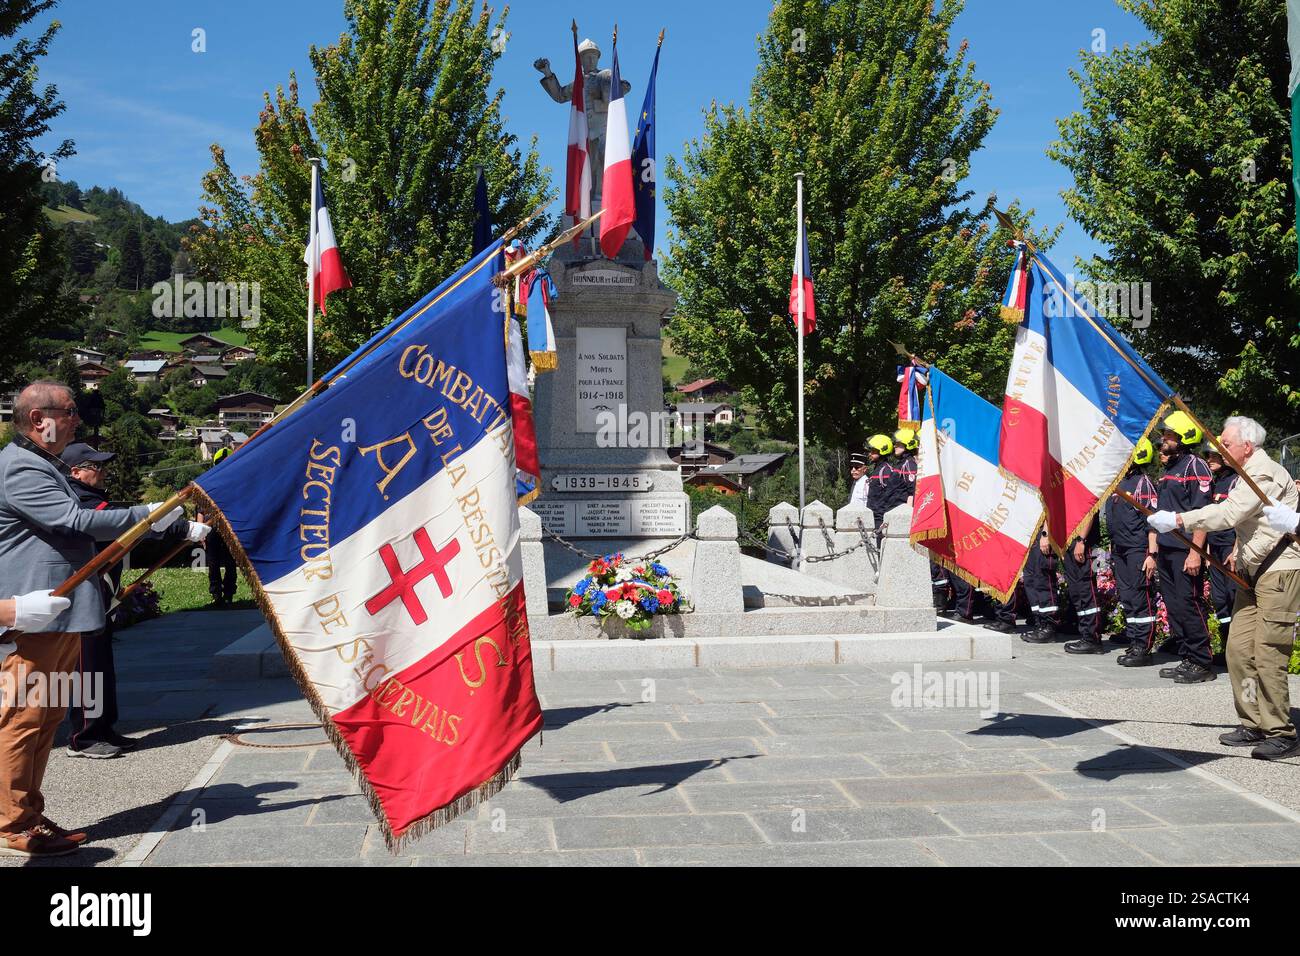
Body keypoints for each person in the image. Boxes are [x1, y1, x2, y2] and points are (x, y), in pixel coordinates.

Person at [0, 381, 209, 856]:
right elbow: (73, 522)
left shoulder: (40, 464)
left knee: (46, 715)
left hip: (57, 611)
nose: (76, 419)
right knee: (22, 718)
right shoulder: (21, 468)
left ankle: (28, 812)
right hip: (32, 612)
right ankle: (12, 822)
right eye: (70, 411)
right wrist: (147, 516)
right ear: (39, 419)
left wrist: (152, 521)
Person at [1150, 416, 1300, 759]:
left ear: (1247, 446)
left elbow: (1230, 514)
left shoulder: (1263, 473)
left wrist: (1178, 520)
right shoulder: (1244, 475)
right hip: (1253, 572)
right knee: (1238, 650)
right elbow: (1248, 524)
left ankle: (1281, 730)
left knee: (1268, 653)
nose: (1220, 447)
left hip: (1279, 572)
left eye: (1226, 443)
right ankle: (1253, 722)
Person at [62, 442, 185, 758]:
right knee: (86, 666)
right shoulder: (79, 501)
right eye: (95, 466)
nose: (102, 472)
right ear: (75, 471)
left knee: (100, 666)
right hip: (82, 598)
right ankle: (84, 736)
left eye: (103, 466)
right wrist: (177, 526)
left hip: (98, 594)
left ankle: (103, 727)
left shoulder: (91, 498)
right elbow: (124, 527)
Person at [1150, 411, 1216, 683]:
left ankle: (1202, 662)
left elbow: (1203, 513)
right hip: (1166, 549)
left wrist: (1195, 552)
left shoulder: (1195, 466)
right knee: (1176, 606)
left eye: (1168, 436)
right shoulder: (1170, 470)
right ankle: (1188, 656)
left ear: (1184, 439)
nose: (1163, 441)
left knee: (1189, 604)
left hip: (1184, 550)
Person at [1105, 438, 1160, 666]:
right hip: (1121, 549)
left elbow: (1153, 521)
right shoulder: (1119, 482)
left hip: (1138, 550)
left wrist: (1151, 555)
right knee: (1127, 596)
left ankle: (1143, 647)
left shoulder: (1143, 483)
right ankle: (1133, 637)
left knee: (1140, 597)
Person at [1203, 445, 1239, 661]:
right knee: (1219, 599)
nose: (1209, 459)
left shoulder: (1237, 481)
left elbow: (1241, 519)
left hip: (1230, 547)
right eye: (1208, 455)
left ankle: (1238, 652)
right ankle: (1226, 648)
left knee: (1233, 597)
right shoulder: (1217, 481)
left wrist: (1236, 550)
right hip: (1215, 547)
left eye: (1213, 455)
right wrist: (1207, 547)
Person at [196, 448, 238, 605]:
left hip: (229, 528)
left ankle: (228, 594)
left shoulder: (235, 484)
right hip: (211, 528)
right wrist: (201, 531)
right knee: (213, 563)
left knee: (230, 563)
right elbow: (200, 509)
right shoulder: (208, 482)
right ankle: (216, 595)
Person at [1061, 515, 1104, 654]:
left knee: (1086, 591)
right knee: (1077, 593)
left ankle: (1093, 638)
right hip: (1070, 542)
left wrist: (1081, 540)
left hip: (1084, 544)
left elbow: (1089, 511)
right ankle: (1086, 635)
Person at [1020, 528, 1060, 643]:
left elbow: (1050, 511)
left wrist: (1045, 534)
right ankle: (1040, 623)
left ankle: (1049, 626)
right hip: (1031, 534)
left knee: (1043, 581)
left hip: (1043, 534)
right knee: (1031, 581)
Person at [864, 434, 898, 533]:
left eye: (873, 451)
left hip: (880, 519)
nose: (869, 454)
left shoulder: (886, 471)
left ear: (882, 450)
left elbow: (890, 497)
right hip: (872, 516)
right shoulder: (877, 469)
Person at [892, 427, 919, 506]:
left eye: (898, 444)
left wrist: (907, 515)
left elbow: (912, 493)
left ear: (907, 444)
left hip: (901, 511)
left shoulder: (909, 465)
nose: (894, 446)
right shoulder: (901, 463)